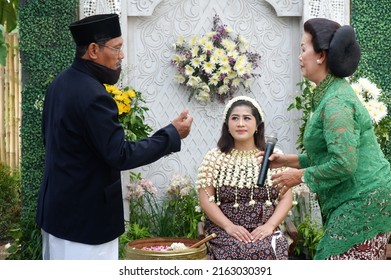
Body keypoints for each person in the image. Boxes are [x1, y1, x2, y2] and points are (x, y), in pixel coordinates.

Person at [35, 13, 193, 260]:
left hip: (58, 215)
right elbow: (120, 154)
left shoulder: (60, 83)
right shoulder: (94, 95)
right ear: (94, 50)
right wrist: (172, 135)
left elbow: (49, 140)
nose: (121, 56)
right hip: (85, 225)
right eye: (116, 48)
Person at [266, 18, 391, 260]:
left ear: (321, 55)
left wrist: (299, 176)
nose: (300, 56)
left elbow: (344, 163)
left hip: (364, 198)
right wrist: (285, 160)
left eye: (303, 49)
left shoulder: (336, 103)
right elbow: (325, 155)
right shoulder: (328, 94)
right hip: (360, 197)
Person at [196, 96, 292, 260]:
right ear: (227, 125)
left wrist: (270, 226)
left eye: (247, 118)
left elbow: (286, 199)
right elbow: (206, 200)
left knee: (266, 249)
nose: (240, 124)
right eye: (235, 118)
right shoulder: (215, 158)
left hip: (265, 229)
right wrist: (229, 227)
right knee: (236, 251)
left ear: (257, 125)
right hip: (224, 230)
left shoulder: (274, 157)